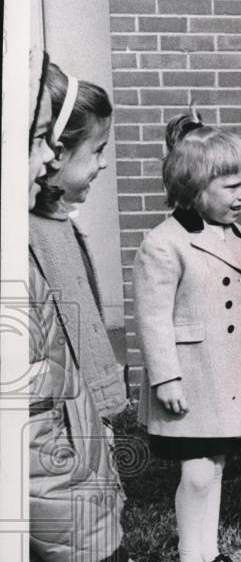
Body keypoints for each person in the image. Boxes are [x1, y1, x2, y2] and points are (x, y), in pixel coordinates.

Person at [28, 50, 151, 562]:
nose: (101, 162)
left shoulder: (52, 230)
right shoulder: (23, 251)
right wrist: (97, 556)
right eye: (93, 149)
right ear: (44, 151)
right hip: (49, 543)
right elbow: (36, 432)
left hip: (61, 514)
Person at [133, 111, 241, 562]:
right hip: (190, 376)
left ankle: (209, 554)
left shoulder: (238, 236)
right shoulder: (165, 242)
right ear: (192, 187)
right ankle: (190, 559)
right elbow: (152, 317)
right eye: (231, 186)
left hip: (229, 372)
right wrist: (165, 375)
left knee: (218, 464)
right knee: (197, 473)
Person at [30, 62, 127, 421]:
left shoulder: (58, 221)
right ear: (57, 152)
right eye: (97, 150)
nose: (102, 164)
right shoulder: (34, 234)